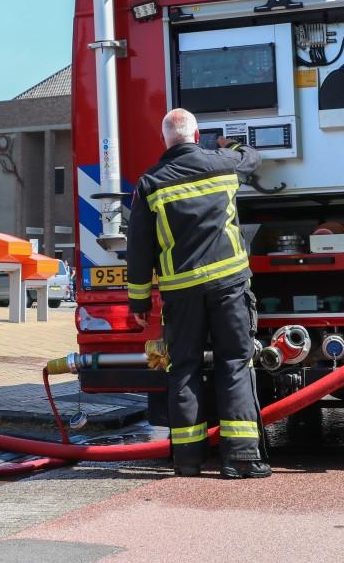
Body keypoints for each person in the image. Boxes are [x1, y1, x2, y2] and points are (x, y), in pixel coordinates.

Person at [126, 108, 269, 480]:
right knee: (235, 362)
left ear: (165, 140)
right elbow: (251, 158)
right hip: (228, 284)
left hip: (181, 292)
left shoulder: (150, 184)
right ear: (196, 134)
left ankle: (187, 462)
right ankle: (241, 459)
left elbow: (139, 248)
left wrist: (139, 301)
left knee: (183, 369)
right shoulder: (222, 164)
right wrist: (230, 144)